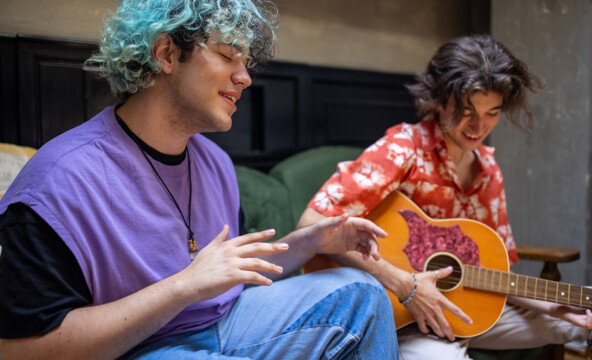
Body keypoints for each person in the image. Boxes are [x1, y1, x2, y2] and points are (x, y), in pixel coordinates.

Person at [0, 0, 398, 359]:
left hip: (224, 324)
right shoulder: (57, 182)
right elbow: (23, 351)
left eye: (246, 63)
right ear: (166, 53)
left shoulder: (216, 162)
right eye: (227, 55)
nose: (245, 78)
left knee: (360, 290)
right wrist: (184, 286)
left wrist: (308, 243)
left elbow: (227, 275)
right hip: (136, 348)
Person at [298, 34, 592, 359]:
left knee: (579, 321)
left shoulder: (489, 169)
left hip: (464, 312)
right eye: (467, 111)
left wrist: (551, 304)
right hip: (395, 314)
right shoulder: (403, 148)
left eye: (492, 113)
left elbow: (497, 276)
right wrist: (403, 284)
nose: (478, 126)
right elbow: (311, 223)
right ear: (440, 99)